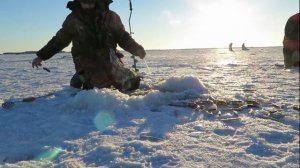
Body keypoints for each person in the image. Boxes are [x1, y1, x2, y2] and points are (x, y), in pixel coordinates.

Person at [32, 0, 146, 92]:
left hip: (110, 58)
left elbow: (123, 37)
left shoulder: (112, 17)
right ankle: (81, 77)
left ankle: (92, 77)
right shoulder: (73, 19)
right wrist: (41, 56)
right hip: (86, 59)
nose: (87, 4)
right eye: (84, 2)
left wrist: (137, 49)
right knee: (100, 87)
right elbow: (60, 40)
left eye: (90, 1)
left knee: (131, 83)